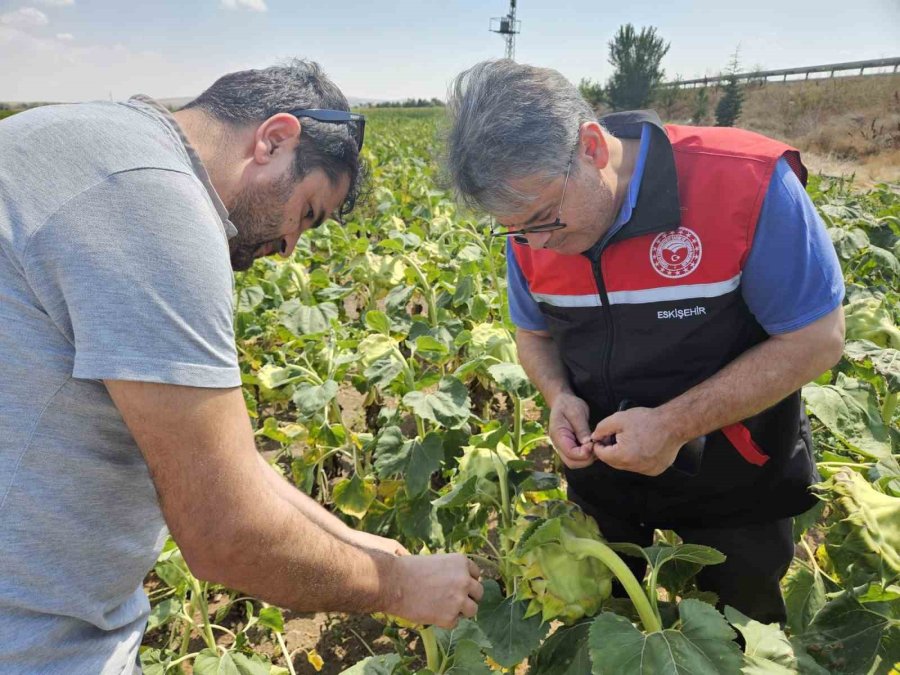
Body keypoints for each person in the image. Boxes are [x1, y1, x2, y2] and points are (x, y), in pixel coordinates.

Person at [0, 59, 482, 674]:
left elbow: (229, 465)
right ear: (274, 138)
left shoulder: (69, 138)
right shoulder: (156, 200)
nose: (288, 248)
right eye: (307, 213)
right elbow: (224, 529)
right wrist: (396, 587)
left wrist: (363, 545)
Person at [444, 60, 845, 625]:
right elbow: (532, 333)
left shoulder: (742, 181)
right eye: (516, 229)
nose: (535, 243)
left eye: (544, 219)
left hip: (736, 478)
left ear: (590, 148)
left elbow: (817, 339)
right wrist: (558, 395)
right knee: (616, 632)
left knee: (737, 638)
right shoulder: (531, 225)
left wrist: (675, 425)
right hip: (602, 480)